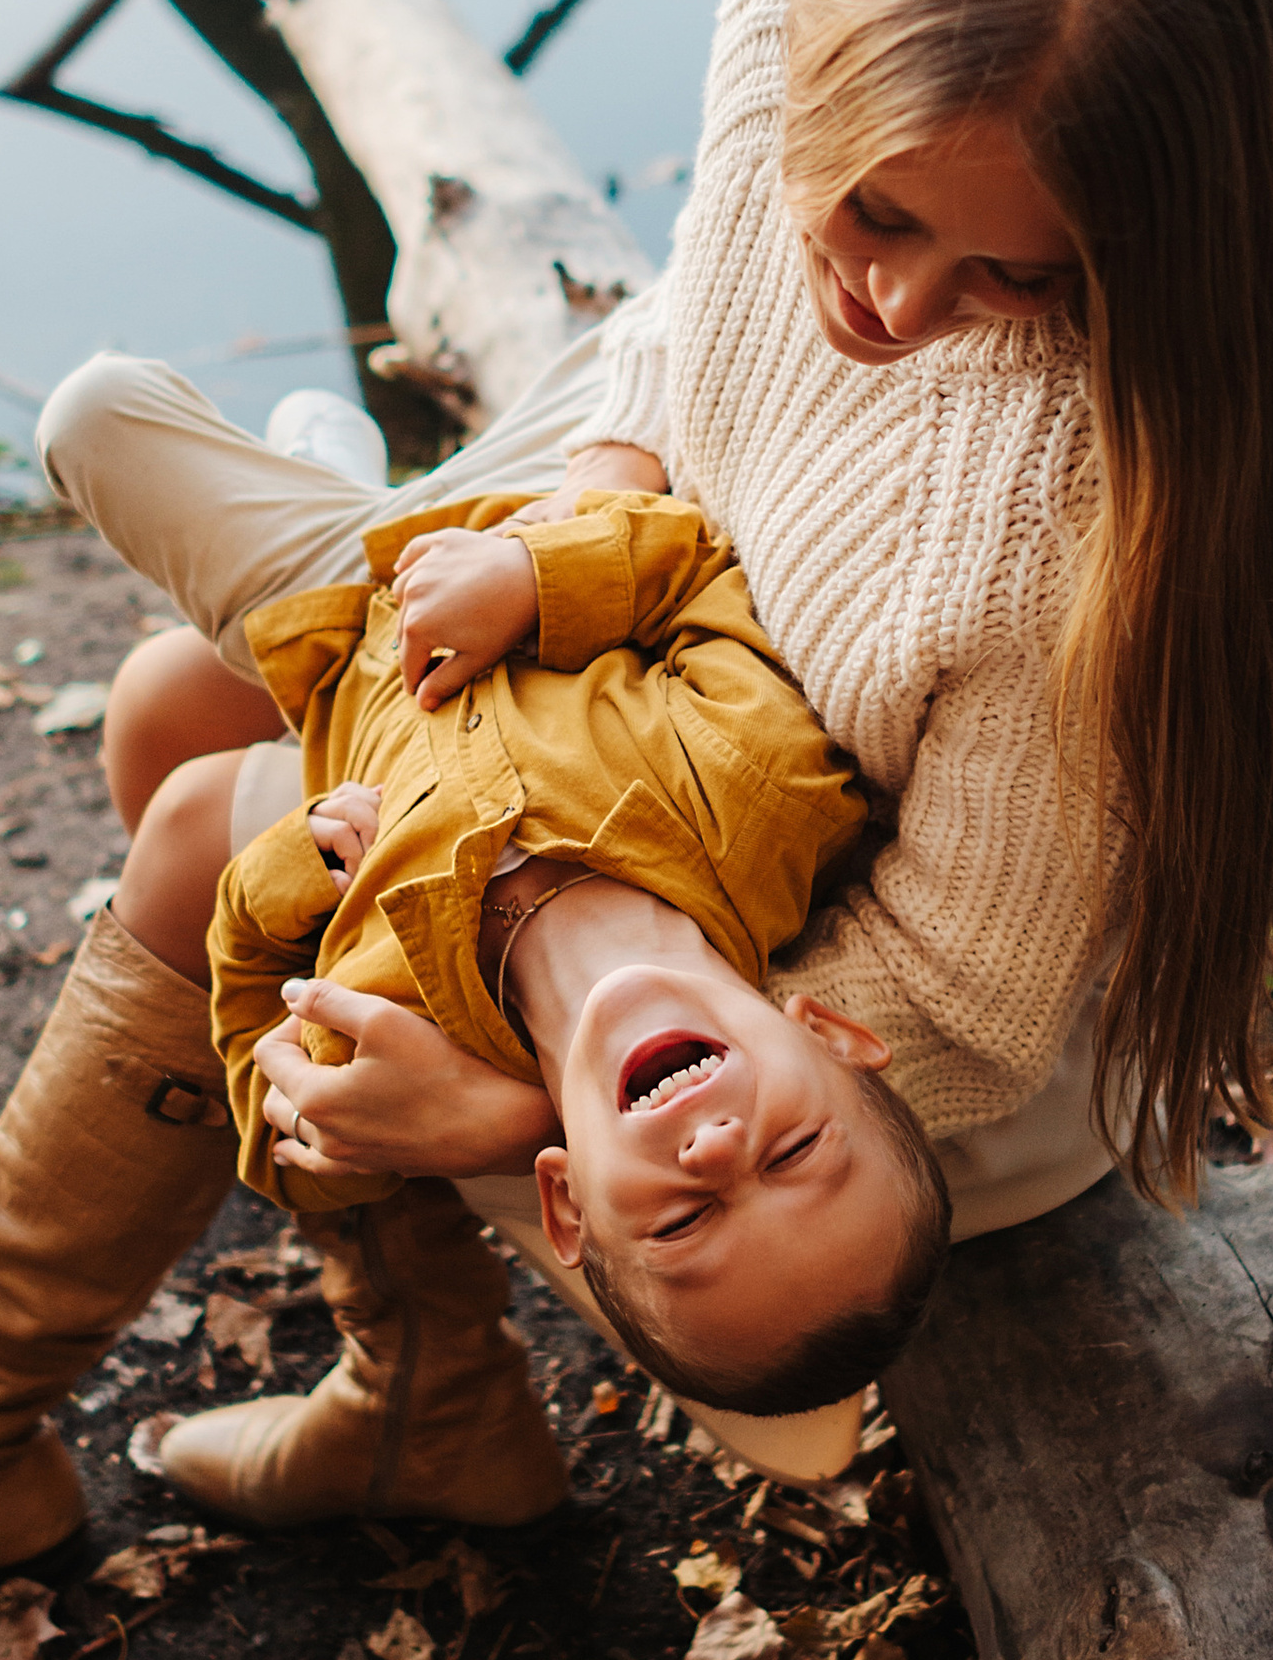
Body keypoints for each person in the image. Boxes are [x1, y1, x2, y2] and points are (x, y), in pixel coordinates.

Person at [0, 0, 1273, 1615]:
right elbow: (693, 324)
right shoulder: (785, 5)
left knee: (209, 833)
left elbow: (961, 1011)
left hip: (866, 1059)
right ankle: (424, 1392)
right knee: (169, 711)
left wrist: (503, 1109)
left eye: (1016, 272)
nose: (900, 304)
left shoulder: (1092, 526)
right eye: (879, 211)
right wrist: (586, 527)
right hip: (673, 666)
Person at [201, 478, 949, 1475]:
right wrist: (534, 577)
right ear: (833, 1035)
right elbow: (694, 571)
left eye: (684, 1217)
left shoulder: (384, 1036)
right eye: (796, 1149)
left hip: (327, 640)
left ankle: (420, 1393)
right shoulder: (769, 791)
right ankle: (324, 451)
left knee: (107, 476)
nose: (721, 1148)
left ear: (566, 1205)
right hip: (506, 504)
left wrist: (284, 870)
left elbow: (261, 1088)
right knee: (106, 442)